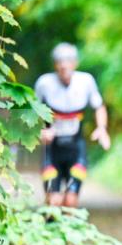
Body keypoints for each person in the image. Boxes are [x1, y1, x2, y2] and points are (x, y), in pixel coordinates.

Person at [35, 43, 110, 208]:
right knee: (53, 202)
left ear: (75, 63)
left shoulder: (86, 81)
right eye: (59, 61)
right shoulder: (44, 84)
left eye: (68, 61)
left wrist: (102, 128)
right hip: (51, 151)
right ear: (55, 64)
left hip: (76, 150)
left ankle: (69, 221)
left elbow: (99, 106)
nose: (64, 65)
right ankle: (50, 223)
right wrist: (40, 130)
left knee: (70, 201)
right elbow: (32, 113)